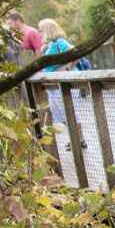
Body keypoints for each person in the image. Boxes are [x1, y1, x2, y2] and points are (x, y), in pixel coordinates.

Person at [38, 18, 86, 150]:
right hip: (54, 84)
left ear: (48, 30)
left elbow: (75, 54)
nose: (39, 32)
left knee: (70, 110)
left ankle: (79, 139)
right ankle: (74, 139)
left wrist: (66, 69)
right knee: (62, 112)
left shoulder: (60, 42)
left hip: (64, 83)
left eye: (41, 29)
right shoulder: (49, 45)